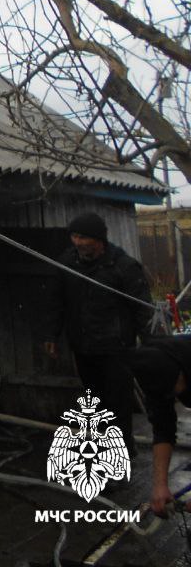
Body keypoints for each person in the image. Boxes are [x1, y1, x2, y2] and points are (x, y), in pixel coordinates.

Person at [42, 212, 152, 452]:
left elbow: (143, 309)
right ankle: (106, 450)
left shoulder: (123, 267)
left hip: (116, 348)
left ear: (99, 239)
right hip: (83, 346)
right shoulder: (67, 263)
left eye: (84, 238)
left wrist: (153, 347)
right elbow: (56, 301)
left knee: (118, 403)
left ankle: (120, 454)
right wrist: (52, 335)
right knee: (96, 402)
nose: (78, 242)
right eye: (74, 236)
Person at [131, 337, 191, 516]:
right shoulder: (154, 370)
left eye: (176, 389)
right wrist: (160, 485)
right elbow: (163, 430)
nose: (177, 396)